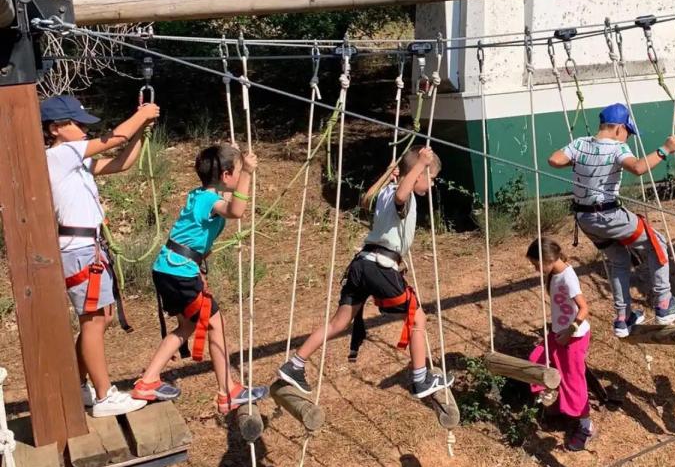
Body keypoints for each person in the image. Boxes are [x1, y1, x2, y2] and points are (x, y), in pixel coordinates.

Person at [276, 146, 454, 399]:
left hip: (361, 263)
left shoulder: (383, 191)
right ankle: (420, 379)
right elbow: (403, 196)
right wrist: (420, 165)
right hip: (378, 265)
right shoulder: (403, 195)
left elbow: (380, 197)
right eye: (431, 177)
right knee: (417, 317)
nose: (432, 184)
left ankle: (295, 364)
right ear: (417, 174)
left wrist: (403, 171)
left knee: (339, 322)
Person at [132, 144, 269, 414]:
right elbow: (236, 211)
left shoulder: (201, 194)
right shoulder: (209, 200)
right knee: (215, 324)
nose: (240, 174)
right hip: (179, 271)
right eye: (237, 172)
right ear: (228, 175)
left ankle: (148, 381)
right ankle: (227, 391)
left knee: (188, 326)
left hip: (171, 268)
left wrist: (234, 154)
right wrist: (248, 174)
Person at [43, 94, 155, 417]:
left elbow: (121, 162)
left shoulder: (72, 159)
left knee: (100, 318)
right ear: (56, 129)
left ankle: (79, 385)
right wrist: (142, 115)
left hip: (88, 248)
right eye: (76, 124)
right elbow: (113, 138)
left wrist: (141, 130)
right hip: (78, 250)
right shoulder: (60, 155)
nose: (82, 129)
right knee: (93, 321)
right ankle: (104, 396)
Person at [548, 103, 675, 338]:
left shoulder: (580, 144)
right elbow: (637, 167)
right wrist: (664, 150)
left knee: (619, 260)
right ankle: (665, 303)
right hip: (608, 215)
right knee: (657, 243)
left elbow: (554, 160)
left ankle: (623, 318)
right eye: (628, 132)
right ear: (618, 129)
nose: (628, 137)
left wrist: (581, 163)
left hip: (585, 219)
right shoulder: (617, 147)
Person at [525, 237, 593, 452]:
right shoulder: (554, 274)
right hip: (557, 333)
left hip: (573, 337)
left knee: (574, 379)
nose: (536, 269)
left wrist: (569, 331)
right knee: (536, 360)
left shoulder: (567, 277)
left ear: (548, 259)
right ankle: (553, 402)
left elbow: (584, 308)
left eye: (536, 264)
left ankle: (586, 426)